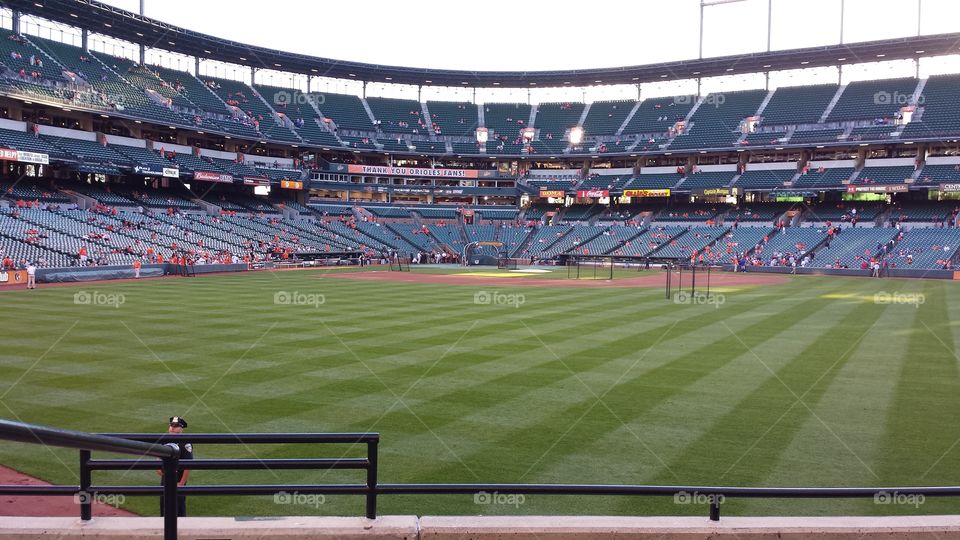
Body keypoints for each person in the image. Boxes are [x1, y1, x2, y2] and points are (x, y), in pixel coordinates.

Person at [157, 416, 193, 517]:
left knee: (179, 507)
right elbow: (158, 458)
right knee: (164, 505)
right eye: (171, 425)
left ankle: (181, 529)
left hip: (178, 480)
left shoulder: (185, 443)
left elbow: (188, 465)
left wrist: (181, 483)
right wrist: (158, 468)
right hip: (165, 479)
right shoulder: (164, 440)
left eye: (176, 426)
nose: (172, 428)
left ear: (181, 429)